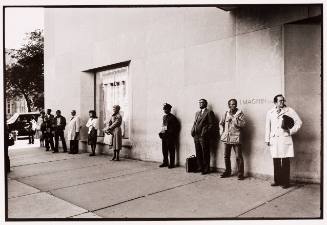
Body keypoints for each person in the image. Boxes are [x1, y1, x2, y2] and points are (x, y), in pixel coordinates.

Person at [265, 94, 302, 189]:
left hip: (284, 138)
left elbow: (299, 122)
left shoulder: (289, 111)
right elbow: (267, 127)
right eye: (280, 101)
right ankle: (277, 180)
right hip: (274, 140)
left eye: (283, 100)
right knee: (276, 160)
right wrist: (267, 139)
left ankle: (286, 182)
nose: (282, 102)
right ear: (275, 102)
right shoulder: (270, 112)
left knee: (285, 161)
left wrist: (290, 131)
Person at [219, 99, 246, 180]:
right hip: (227, 138)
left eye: (234, 104)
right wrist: (222, 133)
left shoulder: (240, 114)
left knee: (238, 156)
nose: (232, 106)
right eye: (231, 104)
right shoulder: (225, 113)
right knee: (226, 156)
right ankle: (227, 171)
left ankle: (240, 173)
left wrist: (234, 119)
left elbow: (243, 124)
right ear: (228, 105)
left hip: (236, 138)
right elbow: (221, 123)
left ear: (236, 105)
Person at [191, 98, 215, 174]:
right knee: (198, 152)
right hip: (196, 136)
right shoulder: (197, 113)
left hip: (204, 136)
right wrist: (193, 131)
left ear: (205, 104)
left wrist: (205, 132)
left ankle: (206, 168)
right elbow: (195, 123)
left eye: (202, 102)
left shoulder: (209, 112)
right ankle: (200, 167)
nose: (200, 104)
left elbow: (211, 124)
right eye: (199, 103)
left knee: (205, 152)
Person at [158, 103, 179, 168]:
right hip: (164, 136)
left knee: (171, 150)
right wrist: (161, 132)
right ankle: (165, 162)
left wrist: (170, 133)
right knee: (164, 150)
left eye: (166, 109)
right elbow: (164, 126)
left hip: (170, 137)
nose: (165, 110)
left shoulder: (173, 117)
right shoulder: (164, 117)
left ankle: (172, 164)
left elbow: (176, 127)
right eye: (164, 109)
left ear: (169, 110)